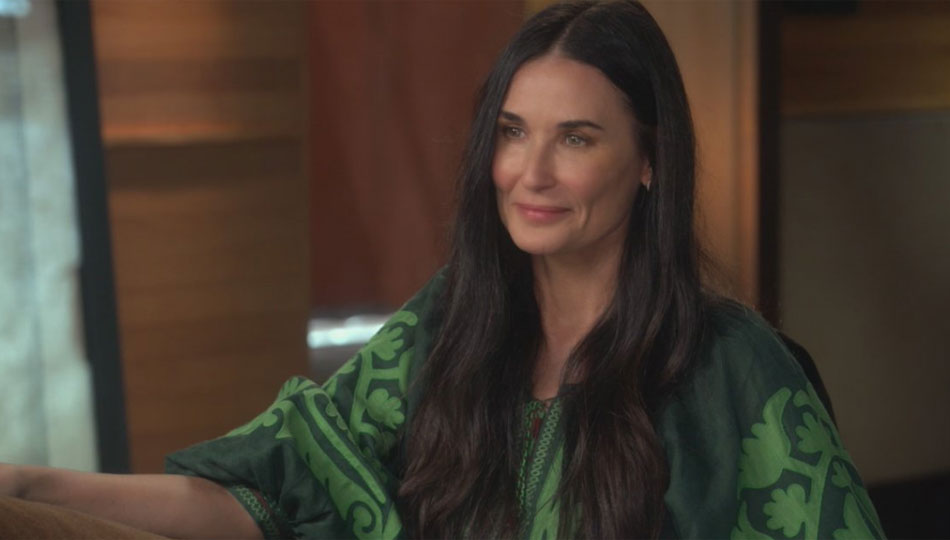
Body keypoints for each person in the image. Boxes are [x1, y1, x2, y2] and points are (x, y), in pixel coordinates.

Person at [0, 1, 884, 538]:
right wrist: (28, 487)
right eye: (512, 133)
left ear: (650, 160)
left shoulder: (731, 368)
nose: (531, 174)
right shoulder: (451, 325)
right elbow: (269, 496)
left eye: (577, 139)